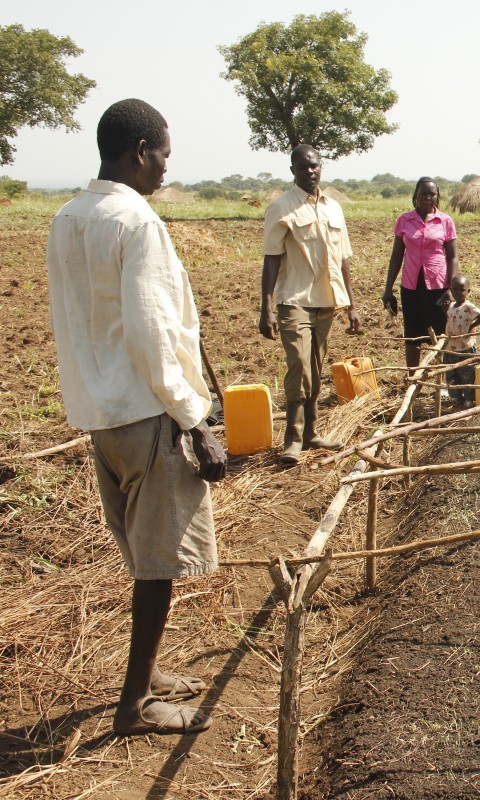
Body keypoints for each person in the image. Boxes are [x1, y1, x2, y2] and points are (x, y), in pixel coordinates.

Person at [46, 98, 226, 735]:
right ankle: (134, 706)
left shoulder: (68, 217)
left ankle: (147, 677)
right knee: (157, 564)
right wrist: (194, 419)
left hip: (103, 413)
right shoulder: (137, 221)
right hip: (150, 413)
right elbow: (152, 333)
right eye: (164, 155)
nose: (166, 168)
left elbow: (75, 322)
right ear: (138, 152)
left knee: (143, 552)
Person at [260, 144, 361, 464]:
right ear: (293, 170)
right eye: (302, 167)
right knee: (299, 366)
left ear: (321, 167)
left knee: (315, 370)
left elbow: (343, 259)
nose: (310, 171)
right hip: (294, 300)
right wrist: (265, 307)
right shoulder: (281, 208)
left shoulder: (334, 208)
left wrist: (351, 305)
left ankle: (311, 432)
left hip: (326, 301)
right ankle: (292, 437)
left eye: (314, 166)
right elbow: (271, 260)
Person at [382, 177, 459, 371]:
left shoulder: (445, 221)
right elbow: (397, 255)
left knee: (441, 334)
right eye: (424, 193)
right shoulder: (404, 220)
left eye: (432, 194)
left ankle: (442, 381)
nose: (428, 197)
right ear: (416, 195)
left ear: (437, 196)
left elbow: (453, 257)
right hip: (411, 286)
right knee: (412, 333)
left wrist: (451, 289)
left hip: (438, 287)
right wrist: (388, 288)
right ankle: (413, 378)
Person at [443, 274, 480, 406]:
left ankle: (468, 399)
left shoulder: (468, 307)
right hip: (451, 347)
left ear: (468, 291)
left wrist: (471, 327)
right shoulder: (451, 306)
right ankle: (456, 397)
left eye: (461, 289)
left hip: (465, 346)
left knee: (467, 374)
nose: (457, 292)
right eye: (454, 289)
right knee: (451, 374)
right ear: (451, 290)